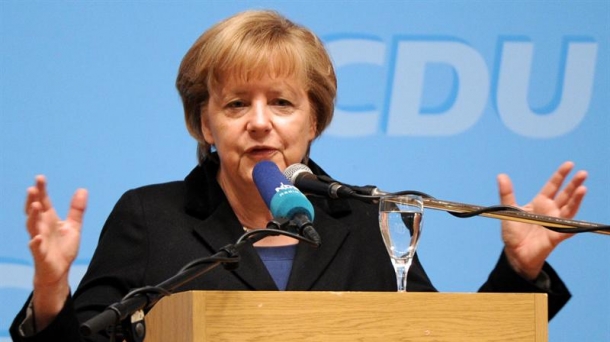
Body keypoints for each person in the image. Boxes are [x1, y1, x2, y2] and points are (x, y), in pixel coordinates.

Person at [10, 9, 588, 342]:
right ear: (204, 123)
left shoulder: (363, 220)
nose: (260, 124)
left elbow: (437, 338)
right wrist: (52, 290)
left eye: (281, 104)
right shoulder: (151, 217)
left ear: (314, 120)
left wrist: (519, 268)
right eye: (236, 105)